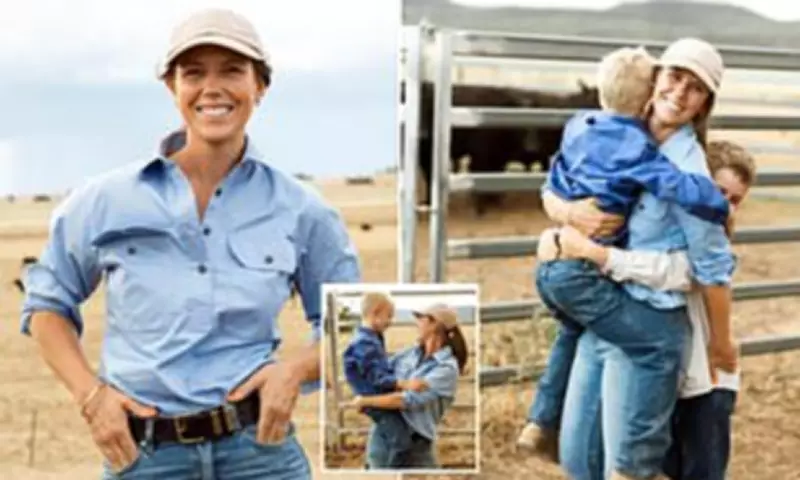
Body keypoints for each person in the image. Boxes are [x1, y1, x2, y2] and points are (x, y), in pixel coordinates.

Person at [20, 8, 360, 480]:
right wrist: (91, 397)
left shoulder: (302, 209)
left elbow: (350, 323)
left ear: (260, 86)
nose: (211, 88)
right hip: (144, 460)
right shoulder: (103, 200)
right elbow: (46, 306)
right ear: (172, 87)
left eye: (232, 71)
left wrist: (295, 371)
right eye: (194, 73)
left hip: (260, 455)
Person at [531, 38, 737, 480]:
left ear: (704, 105)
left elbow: (707, 269)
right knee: (576, 460)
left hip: (646, 318)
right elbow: (557, 178)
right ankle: (544, 421)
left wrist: (722, 342)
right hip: (603, 311)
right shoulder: (617, 131)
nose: (679, 93)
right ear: (654, 80)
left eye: (696, 88)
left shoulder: (687, 168)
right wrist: (566, 215)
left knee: (621, 467)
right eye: (675, 77)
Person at [553, 139, 754, 480]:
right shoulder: (661, 224)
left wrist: (602, 257)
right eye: (719, 192)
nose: (726, 206)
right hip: (665, 378)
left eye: (735, 200)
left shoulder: (713, 244)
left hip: (707, 381)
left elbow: (681, 273)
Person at [350, 304, 469, 469]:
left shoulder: (446, 369)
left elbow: (405, 400)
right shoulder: (408, 354)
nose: (417, 322)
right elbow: (380, 376)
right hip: (386, 431)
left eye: (421, 318)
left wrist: (366, 401)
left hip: (415, 441)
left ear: (434, 324)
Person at [342, 292, 430, 467]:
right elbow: (377, 378)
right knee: (401, 442)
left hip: (375, 395)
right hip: (374, 398)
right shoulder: (365, 344)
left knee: (389, 432)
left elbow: (380, 367)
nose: (391, 321)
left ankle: (374, 466)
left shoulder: (371, 338)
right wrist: (405, 384)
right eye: (388, 316)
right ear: (375, 313)